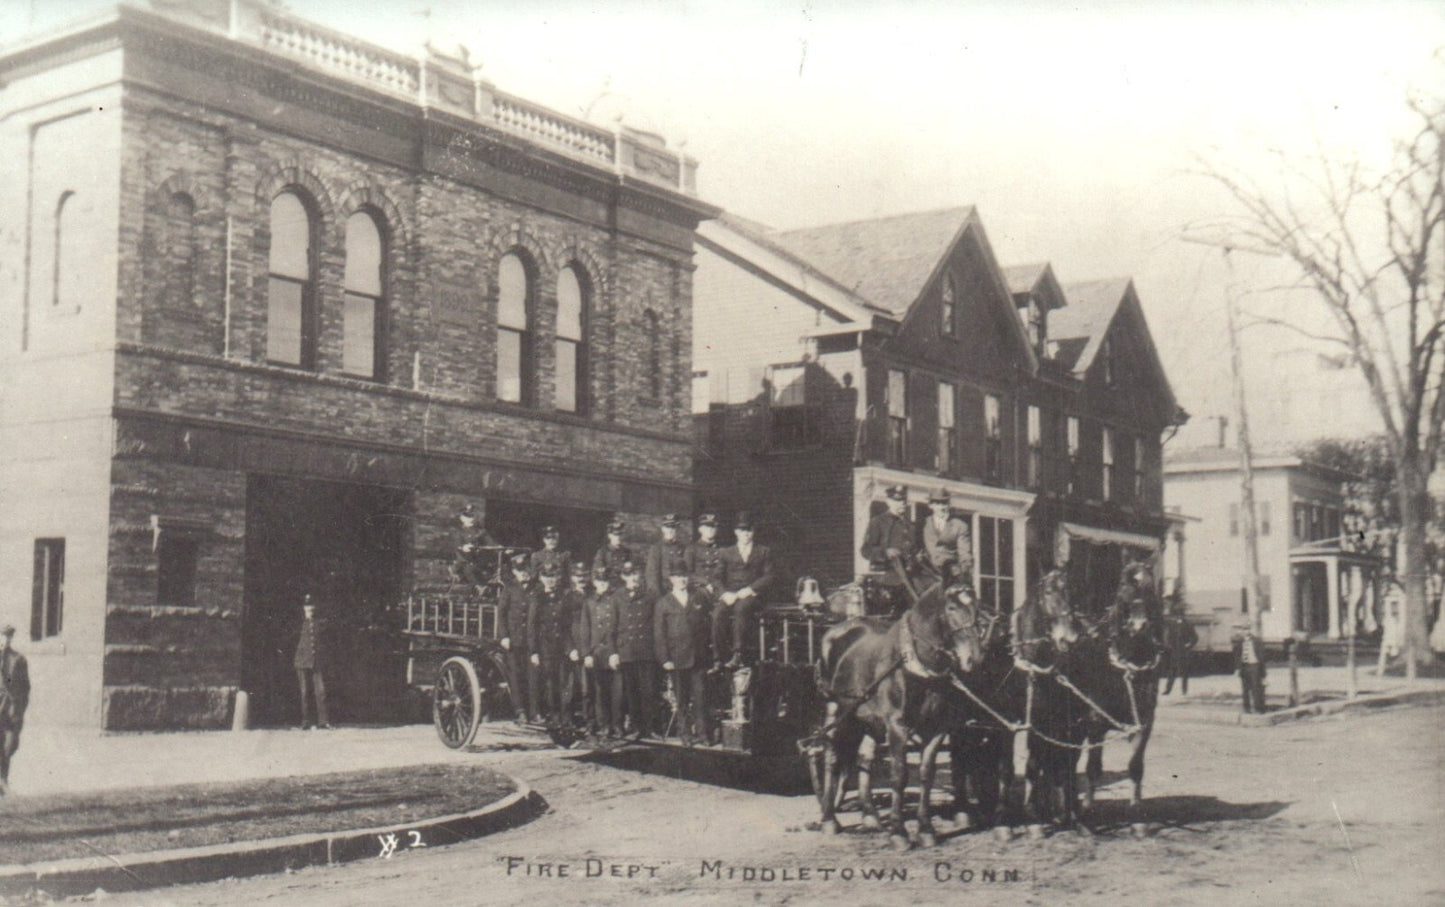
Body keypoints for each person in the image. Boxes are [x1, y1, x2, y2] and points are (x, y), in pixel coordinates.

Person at [654, 566, 715, 746]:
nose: (682, 580)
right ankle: (685, 734)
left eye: (684, 576)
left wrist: (709, 652)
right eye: (677, 576)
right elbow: (659, 634)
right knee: (681, 699)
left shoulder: (698, 598)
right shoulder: (663, 603)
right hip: (677, 658)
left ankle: (703, 734)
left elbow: (707, 624)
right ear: (671, 579)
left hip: (698, 657)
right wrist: (665, 659)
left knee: (701, 697)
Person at [716, 513, 774, 669]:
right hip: (730, 594)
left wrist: (750, 589)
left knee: (741, 608)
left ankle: (738, 654)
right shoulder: (726, 552)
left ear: (753, 532)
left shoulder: (763, 551)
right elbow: (717, 578)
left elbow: (769, 576)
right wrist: (724, 593)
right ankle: (719, 657)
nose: (745, 534)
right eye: (742, 530)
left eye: (748, 530)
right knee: (718, 613)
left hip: (752, 595)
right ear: (736, 532)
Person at [614, 560, 658, 739]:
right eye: (628, 574)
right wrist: (614, 651)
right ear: (623, 577)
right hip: (627, 650)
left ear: (639, 576)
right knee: (631, 692)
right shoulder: (617, 596)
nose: (632, 578)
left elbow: (656, 623)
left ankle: (652, 728)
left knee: (649, 690)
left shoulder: (650, 595)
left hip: (646, 649)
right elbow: (613, 625)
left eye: (635, 574)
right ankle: (637, 728)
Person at [860, 484, 916, 617]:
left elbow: (913, 551)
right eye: (897, 501)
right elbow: (866, 550)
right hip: (884, 581)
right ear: (889, 501)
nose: (902, 504)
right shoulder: (878, 522)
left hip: (906, 582)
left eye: (904, 501)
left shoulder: (910, 526)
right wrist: (885, 552)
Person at [581, 565, 624, 738]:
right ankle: (604, 725)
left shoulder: (616, 601)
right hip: (597, 652)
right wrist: (587, 654)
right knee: (600, 692)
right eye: (599, 581)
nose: (602, 584)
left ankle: (618, 725)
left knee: (618, 692)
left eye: (605, 581)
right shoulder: (589, 602)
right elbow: (585, 629)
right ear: (594, 582)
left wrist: (617, 651)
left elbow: (621, 627)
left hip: (613, 652)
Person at [497, 552, 534, 722]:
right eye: (520, 570)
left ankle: (534, 711)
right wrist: (504, 636)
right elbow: (502, 614)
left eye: (526, 569)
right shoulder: (510, 589)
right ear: (514, 572)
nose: (524, 573)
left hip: (531, 640)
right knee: (515, 675)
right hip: (514, 640)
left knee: (532, 674)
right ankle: (520, 711)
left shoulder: (536, 588)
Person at [0, 624, 31, 795]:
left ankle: (3, 779)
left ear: (11, 638)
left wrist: (20, 709)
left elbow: (26, 687)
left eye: (8, 637)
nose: (4, 640)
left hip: (11, 709)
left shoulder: (19, 659)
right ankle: (2, 781)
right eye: (2, 636)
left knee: (9, 745)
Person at [921, 488, 973, 587]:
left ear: (949, 504)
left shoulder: (960, 526)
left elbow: (965, 554)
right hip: (928, 573)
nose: (941, 507)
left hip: (950, 573)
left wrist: (964, 572)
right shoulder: (923, 524)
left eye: (944, 503)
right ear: (930, 505)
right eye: (937, 503)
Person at [294, 596, 330, 730]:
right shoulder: (298, 623)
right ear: (303, 608)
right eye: (307, 606)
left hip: (316, 661)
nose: (309, 609)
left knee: (320, 691)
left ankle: (323, 721)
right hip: (302, 661)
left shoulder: (319, 623)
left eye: (311, 606)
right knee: (304, 692)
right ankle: (305, 722)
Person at [645, 514, 689, 600]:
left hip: (681, 591)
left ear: (677, 529)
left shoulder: (683, 548)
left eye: (673, 527)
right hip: (664, 592)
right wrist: (659, 597)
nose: (670, 530)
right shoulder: (656, 548)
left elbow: (688, 570)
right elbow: (652, 575)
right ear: (663, 529)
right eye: (667, 527)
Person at [684, 512, 726, 601]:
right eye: (707, 527)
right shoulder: (692, 549)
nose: (710, 529)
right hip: (698, 588)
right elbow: (686, 573)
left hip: (719, 589)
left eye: (713, 527)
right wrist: (705, 583)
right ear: (700, 529)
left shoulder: (722, 550)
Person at [1161, 601, 1199, 695]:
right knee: (1172, 671)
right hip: (1174, 651)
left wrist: (1188, 645)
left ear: (1183, 615)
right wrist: (1170, 645)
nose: (1178, 617)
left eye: (1180, 614)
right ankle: (1168, 690)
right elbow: (1169, 637)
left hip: (1184, 651)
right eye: (1177, 615)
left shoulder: (1188, 624)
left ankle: (1184, 690)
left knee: (1185, 671)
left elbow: (1195, 638)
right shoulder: (1172, 625)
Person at [1232, 624, 1267, 714]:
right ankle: (1246, 708)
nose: (1245, 631)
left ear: (1250, 630)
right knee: (1245, 688)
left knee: (1256, 688)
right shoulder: (1240, 642)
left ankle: (1258, 708)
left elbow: (1261, 656)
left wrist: (1263, 672)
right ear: (1242, 631)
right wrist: (1237, 668)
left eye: (1247, 629)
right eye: (1243, 629)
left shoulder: (1256, 641)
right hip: (1244, 666)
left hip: (1254, 665)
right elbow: (1237, 656)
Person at [593, 517, 633, 582]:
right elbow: (597, 573)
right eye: (616, 535)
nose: (619, 537)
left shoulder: (627, 552)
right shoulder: (603, 552)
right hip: (607, 584)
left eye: (620, 534)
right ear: (609, 535)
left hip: (622, 585)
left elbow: (630, 571)